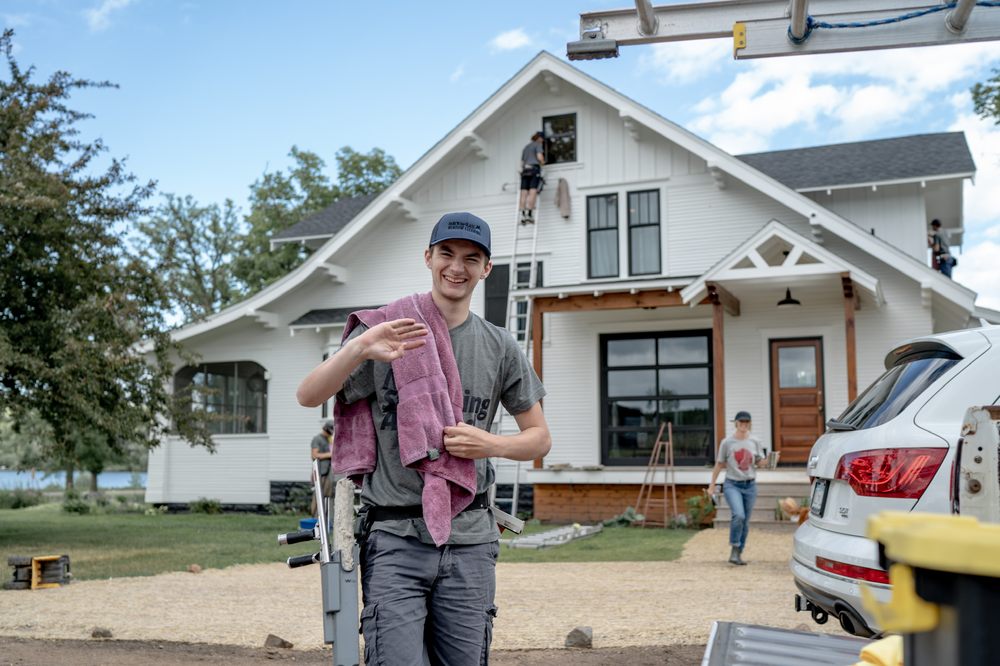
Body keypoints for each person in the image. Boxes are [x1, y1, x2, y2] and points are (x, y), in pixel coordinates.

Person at [296, 211, 551, 666]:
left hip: (470, 538)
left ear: (486, 269)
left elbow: (539, 439)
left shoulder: (499, 346)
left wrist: (488, 444)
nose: (457, 267)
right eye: (447, 254)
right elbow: (307, 394)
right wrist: (359, 347)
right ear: (428, 257)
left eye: (471, 259)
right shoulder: (388, 332)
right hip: (394, 537)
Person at [707, 411, 765, 566]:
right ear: (736, 423)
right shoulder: (727, 442)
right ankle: (734, 546)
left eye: (747, 422)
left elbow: (759, 462)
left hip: (750, 485)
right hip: (732, 484)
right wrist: (712, 485)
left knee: (745, 521)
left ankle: (738, 553)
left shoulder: (755, 441)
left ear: (749, 424)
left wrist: (769, 461)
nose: (744, 425)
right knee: (738, 515)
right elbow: (719, 464)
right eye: (741, 422)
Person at [518, 131, 545, 225]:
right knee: (532, 191)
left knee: (524, 193)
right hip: (534, 170)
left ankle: (522, 214)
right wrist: (543, 163)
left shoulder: (526, 147)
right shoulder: (538, 145)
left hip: (525, 171)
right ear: (539, 138)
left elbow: (521, 163)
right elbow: (540, 157)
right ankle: (529, 213)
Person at [310, 420, 335, 516]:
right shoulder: (317, 439)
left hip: (328, 472)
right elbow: (314, 455)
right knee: (318, 496)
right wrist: (330, 454)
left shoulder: (328, 439)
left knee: (327, 496)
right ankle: (314, 519)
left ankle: (325, 519)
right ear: (326, 429)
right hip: (320, 472)